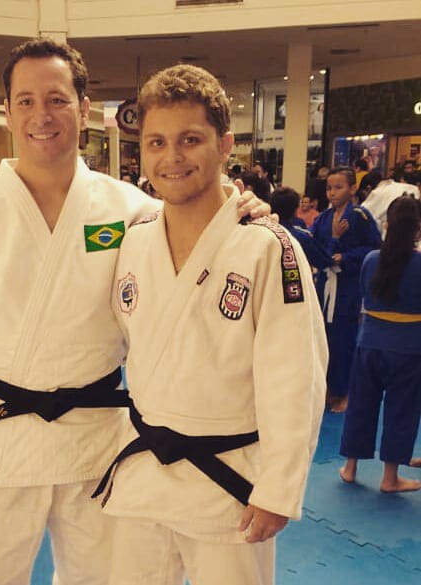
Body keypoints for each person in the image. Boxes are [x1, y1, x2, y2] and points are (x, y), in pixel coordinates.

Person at [0, 39, 269, 585]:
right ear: (8, 111)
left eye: (56, 99)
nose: (41, 115)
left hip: (100, 434)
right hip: (5, 432)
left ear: (83, 107)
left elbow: (194, 222)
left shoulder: (128, 207)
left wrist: (238, 204)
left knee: (100, 578)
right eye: (25, 101)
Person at [93, 64, 326, 585]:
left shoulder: (268, 248)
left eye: (190, 140)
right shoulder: (135, 238)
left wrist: (279, 488)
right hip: (144, 474)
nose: (171, 157)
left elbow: (296, 378)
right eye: (156, 142)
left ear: (225, 145)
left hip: (228, 483)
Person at [339, 196, 421, 492]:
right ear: (417, 228)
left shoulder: (372, 260)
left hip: (370, 342)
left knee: (361, 404)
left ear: (387, 225)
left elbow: (365, 293)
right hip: (409, 347)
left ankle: (350, 468)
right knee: (402, 410)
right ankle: (389, 477)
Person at [311, 167, 382, 412]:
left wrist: (346, 256)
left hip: (347, 287)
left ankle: (345, 392)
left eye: (338, 187)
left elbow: (374, 249)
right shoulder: (323, 218)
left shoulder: (360, 216)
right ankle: (329, 386)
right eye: (329, 188)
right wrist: (332, 241)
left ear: (352, 189)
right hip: (324, 284)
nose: (332, 193)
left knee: (344, 341)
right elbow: (316, 247)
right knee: (324, 339)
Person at [270, 187, 332, 270]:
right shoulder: (301, 237)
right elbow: (325, 262)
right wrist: (335, 238)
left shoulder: (261, 232)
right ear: (296, 210)